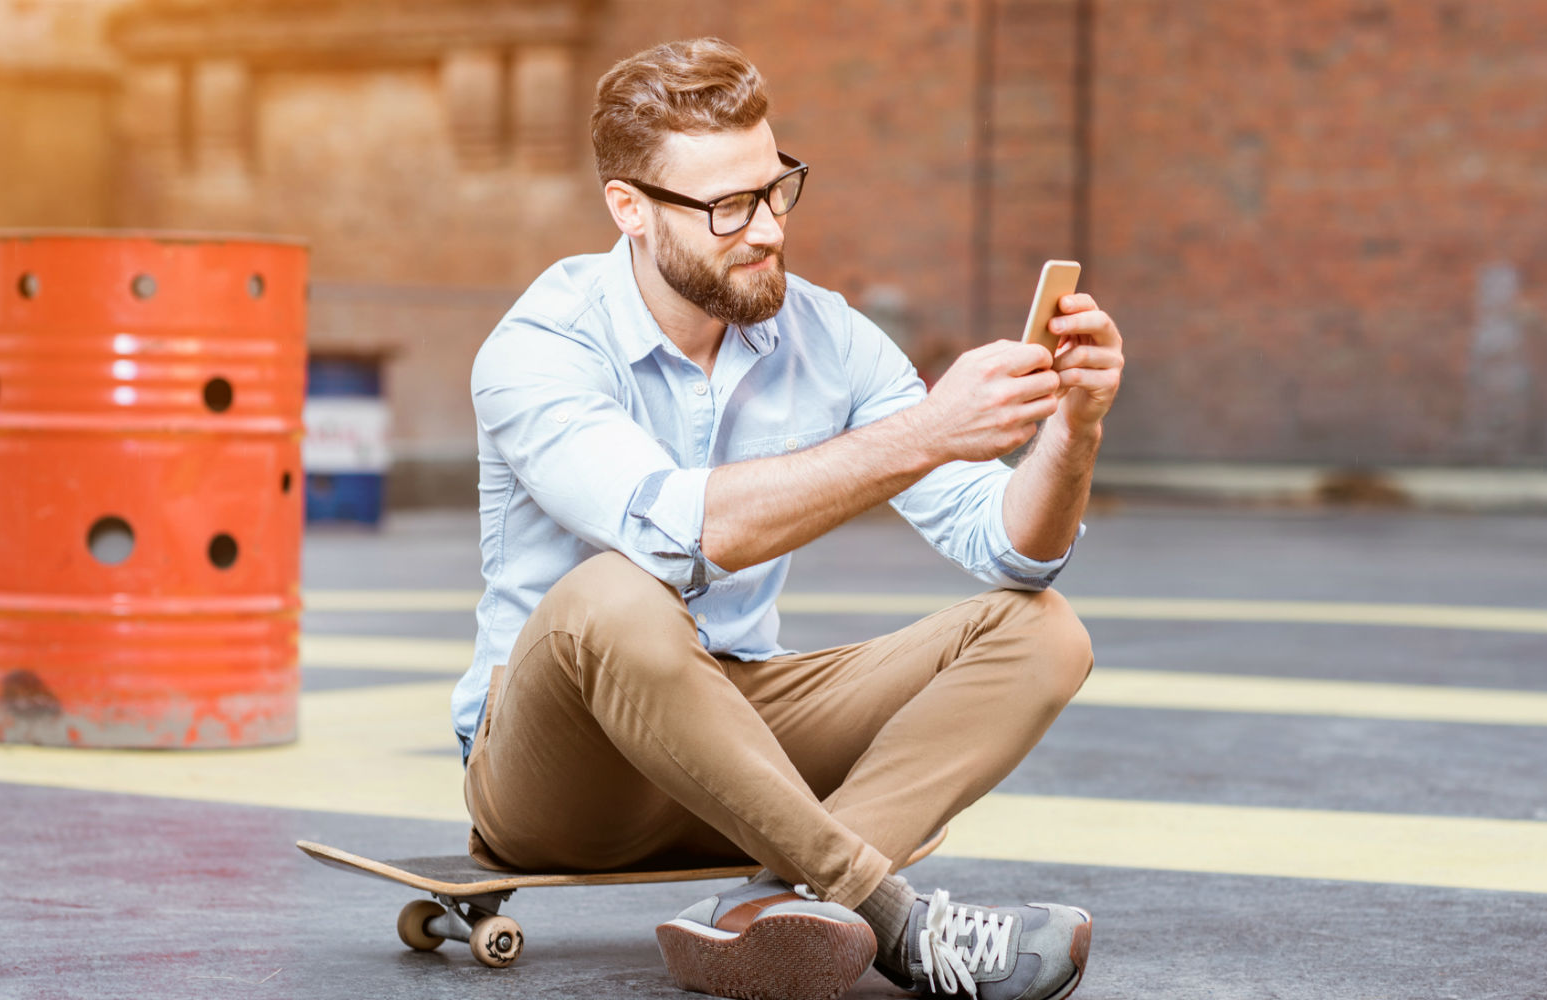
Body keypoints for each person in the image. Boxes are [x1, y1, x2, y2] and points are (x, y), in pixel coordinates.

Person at [452, 37, 1124, 1000]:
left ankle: (772, 906)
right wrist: (931, 429)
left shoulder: (828, 335)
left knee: (1041, 632)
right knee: (616, 591)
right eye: (727, 206)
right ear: (630, 211)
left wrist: (1073, 432)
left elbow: (1009, 548)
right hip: (560, 774)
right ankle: (888, 911)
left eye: (776, 189)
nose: (766, 229)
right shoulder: (538, 347)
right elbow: (675, 531)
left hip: (739, 751)